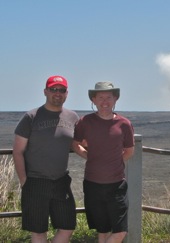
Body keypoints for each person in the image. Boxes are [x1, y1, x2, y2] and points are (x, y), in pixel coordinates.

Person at [12, 75, 79, 243]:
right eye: (53, 89)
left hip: (61, 181)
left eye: (61, 90)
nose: (57, 93)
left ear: (66, 93)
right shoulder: (31, 117)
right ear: (45, 91)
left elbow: (80, 143)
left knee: (67, 227)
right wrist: (24, 181)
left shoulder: (73, 117)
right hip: (35, 181)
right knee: (38, 231)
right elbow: (18, 151)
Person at [72, 81, 135, 243]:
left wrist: (112, 161)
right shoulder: (85, 122)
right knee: (102, 230)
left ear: (115, 99)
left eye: (109, 97)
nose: (105, 101)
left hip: (116, 185)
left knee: (120, 231)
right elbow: (75, 143)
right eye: (100, 97)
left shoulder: (124, 124)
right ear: (93, 100)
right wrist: (89, 156)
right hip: (92, 184)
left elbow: (129, 150)